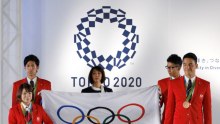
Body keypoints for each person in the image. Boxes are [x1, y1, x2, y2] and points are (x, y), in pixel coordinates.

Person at [164, 52, 212, 124]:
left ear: (196, 65)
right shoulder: (173, 83)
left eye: (191, 64)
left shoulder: (205, 84)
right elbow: (170, 109)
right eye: (185, 64)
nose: (187, 67)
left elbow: (207, 111)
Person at [157, 54, 182, 124]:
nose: (169, 70)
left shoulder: (186, 83)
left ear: (179, 68)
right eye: (167, 67)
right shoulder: (161, 83)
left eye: (172, 67)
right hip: (167, 120)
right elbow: (158, 104)